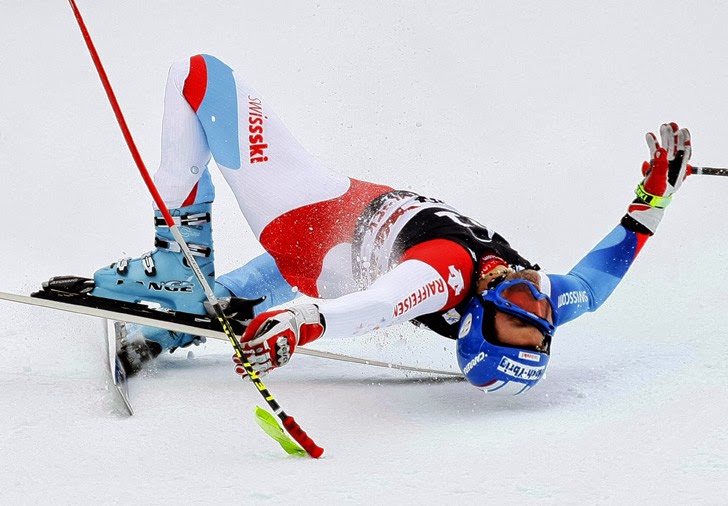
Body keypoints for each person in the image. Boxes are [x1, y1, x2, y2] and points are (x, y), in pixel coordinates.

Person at [84, 54, 692, 395]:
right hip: (336, 236)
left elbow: (379, 305)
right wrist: (654, 199)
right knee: (274, 277)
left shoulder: (445, 276)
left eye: (516, 316)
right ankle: (196, 313)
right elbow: (594, 282)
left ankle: (181, 267)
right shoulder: (538, 296)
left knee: (199, 77)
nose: (532, 300)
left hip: (307, 220)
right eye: (541, 321)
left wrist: (304, 324)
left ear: (478, 320)